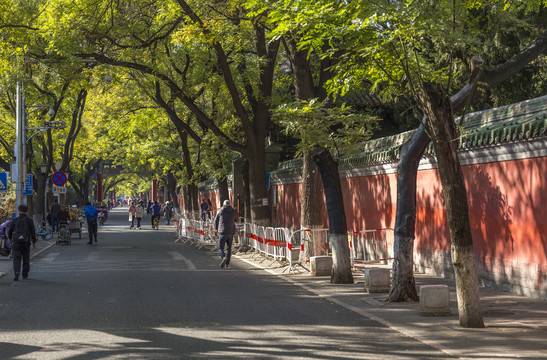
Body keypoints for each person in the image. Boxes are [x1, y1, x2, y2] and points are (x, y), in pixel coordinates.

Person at [8, 204, 37, 281]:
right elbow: (32, 232)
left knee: (16, 258)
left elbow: (10, 231)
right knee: (26, 258)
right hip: (26, 242)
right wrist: (34, 242)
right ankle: (25, 274)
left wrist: (10, 239)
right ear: (26, 211)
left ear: (19, 211)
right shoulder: (29, 220)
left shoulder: (15, 220)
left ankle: (17, 271)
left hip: (16, 242)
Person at [214, 200, 238, 269]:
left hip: (222, 232)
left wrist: (216, 229)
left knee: (220, 248)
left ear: (223, 204)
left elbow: (216, 221)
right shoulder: (233, 211)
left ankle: (223, 257)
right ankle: (227, 265)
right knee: (229, 249)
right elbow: (237, 220)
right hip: (231, 232)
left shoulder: (220, 211)